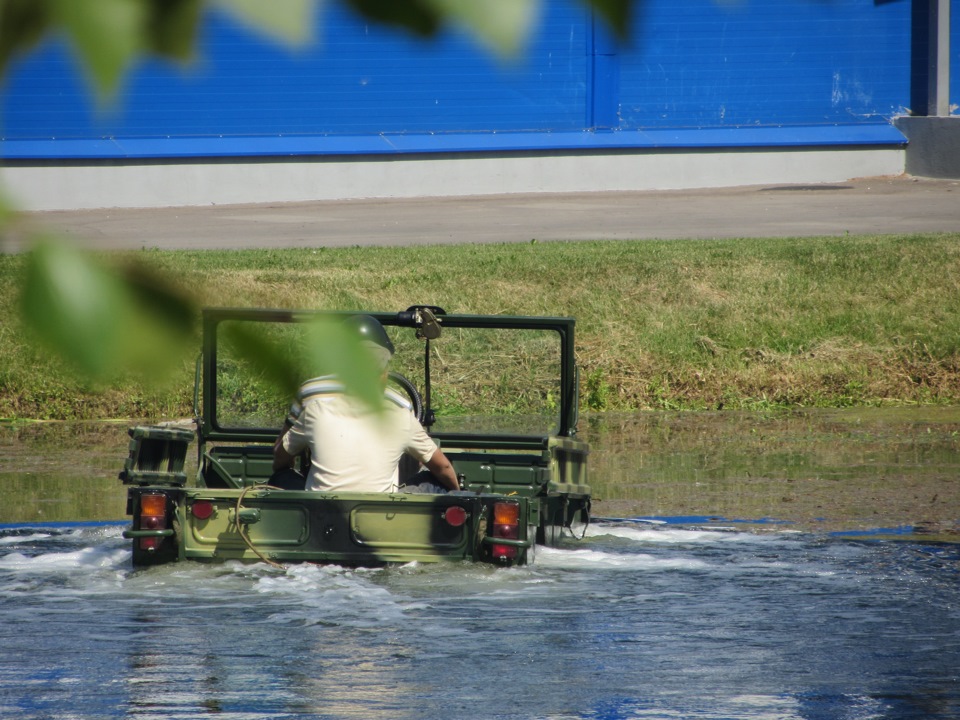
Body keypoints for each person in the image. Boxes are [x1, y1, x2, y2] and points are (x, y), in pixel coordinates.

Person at [271, 315, 459, 494]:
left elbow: (281, 453)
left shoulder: (313, 405)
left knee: (279, 479)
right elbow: (439, 466)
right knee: (435, 482)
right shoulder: (401, 409)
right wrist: (457, 492)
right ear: (384, 373)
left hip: (320, 513)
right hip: (381, 515)